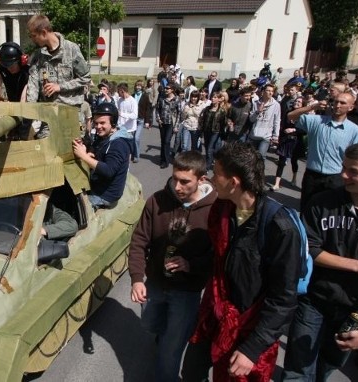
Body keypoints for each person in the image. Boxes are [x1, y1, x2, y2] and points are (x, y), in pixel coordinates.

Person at [181, 142, 302, 381]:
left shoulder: (281, 229)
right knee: (192, 372)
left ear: (234, 182)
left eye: (216, 173)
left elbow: (283, 300)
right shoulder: (223, 208)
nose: (211, 178)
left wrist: (253, 349)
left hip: (247, 331)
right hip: (213, 314)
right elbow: (217, 256)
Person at [282, 140, 358, 381]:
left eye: (353, 171)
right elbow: (309, 248)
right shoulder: (324, 202)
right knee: (298, 369)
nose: (343, 175)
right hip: (315, 299)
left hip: (356, 308)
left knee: (329, 365)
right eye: (344, 167)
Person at [129, 151, 216, 382]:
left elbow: (219, 253)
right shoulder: (157, 201)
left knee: (171, 349)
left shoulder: (215, 209)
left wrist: (192, 265)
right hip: (155, 283)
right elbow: (139, 241)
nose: (177, 186)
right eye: (174, 178)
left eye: (185, 181)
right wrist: (137, 278)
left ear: (202, 179)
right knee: (149, 323)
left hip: (186, 291)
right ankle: (164, 333)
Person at [287, 92, 358, 210]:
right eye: (336, 101)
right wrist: (313, 106)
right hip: (312, 176)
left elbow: (355, 157)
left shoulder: (354, 130)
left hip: (335, 178)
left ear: (351, 107)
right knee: (306, 208)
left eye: (342, 103)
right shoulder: (317, 121)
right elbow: (291, 116)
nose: (337, 105)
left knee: (330, 212)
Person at [72, 103, 132, 210]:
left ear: (113, 123)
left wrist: (84, 157)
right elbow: (97, 151)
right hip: (98, 185)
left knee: (73, 209)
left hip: (105, 195)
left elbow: (109, 170)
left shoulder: (118, 144)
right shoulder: (104, 136)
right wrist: (87, 151)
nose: (98, 127)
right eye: (96, 123)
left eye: (102, 123)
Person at [26, 14, 91, 107]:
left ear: (44, 33)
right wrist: (30, 109)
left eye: (34, 36)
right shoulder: (38, 56)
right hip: (48, 113)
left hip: (70, 112)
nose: (32, 39)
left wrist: (60, 87)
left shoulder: (71, 49)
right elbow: (33, 84)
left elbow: (85, 78)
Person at [271, 97, 304, 191]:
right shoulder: (288, 113)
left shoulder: (304, 116)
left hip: (296, 141)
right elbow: (282, 125)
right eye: (296, 101)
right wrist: (278, 137)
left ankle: (294, 177)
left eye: (299, 102)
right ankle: (276, 183)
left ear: (303, 105)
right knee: (281, 161)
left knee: (294, 161)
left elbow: (305, 130)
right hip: (286, 140)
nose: (296, 102)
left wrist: (294, 129)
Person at [248, 83, 281, 160]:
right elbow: (251, 119)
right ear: (263, 91)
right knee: (252, 158)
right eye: (268, 90)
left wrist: (276, 135)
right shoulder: (256, 102)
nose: (270, 93)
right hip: (254, 134)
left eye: (272, 91)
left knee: (261, 156)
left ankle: (260, 172)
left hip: (266, 136)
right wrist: (257, 112)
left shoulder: (276, 105)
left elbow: (277, 120)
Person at [199, 92, 226, 171]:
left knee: (210, 148)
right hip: (206, 130)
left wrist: (223, 135)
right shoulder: (207, 109)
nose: (213, 99)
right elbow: (203, 120)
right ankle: (210, 161)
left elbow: (223, 123)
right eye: (212, 97)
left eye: (215, 97)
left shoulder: (221, 111)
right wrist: (201, 129)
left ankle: (207, 166)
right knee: (207, 147)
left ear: (219, 99)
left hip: (215, 132)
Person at [156, 84, 181, 168]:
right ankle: (162, 158)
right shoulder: (162, 98)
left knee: (167, 141)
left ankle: (166, 161)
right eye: (165, 88)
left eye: (168, 88)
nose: (166, 89)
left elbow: (179, 113)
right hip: (162, 123)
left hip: (171, 123)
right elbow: (157, 109)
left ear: (172, 89)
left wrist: (176, 125)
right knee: (163, 141)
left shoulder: (177, 99)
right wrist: (158, 119)